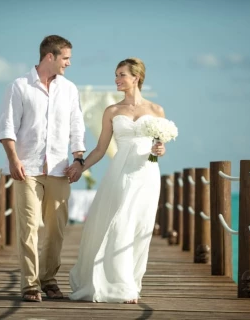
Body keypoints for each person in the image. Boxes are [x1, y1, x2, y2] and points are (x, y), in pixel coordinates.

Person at [66, 57, 166, 304]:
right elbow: (100, 149)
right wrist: (80, 167)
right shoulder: (112, 111)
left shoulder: (156, 110)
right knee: (120, 224)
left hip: (147, 174)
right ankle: (119, 285)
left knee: (140, 228)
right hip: (120, 173)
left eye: (122, 75)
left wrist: (161, 149)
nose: (117, 79)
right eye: (116, 75)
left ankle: (131, 281)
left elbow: (158, 145)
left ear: (136, 77)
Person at [0, 35, 86, 302]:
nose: (69, 63)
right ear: (50, 56)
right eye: (66, 58)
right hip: (27, 168)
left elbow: (76, 126)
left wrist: (79, 159)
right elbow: (7, 126)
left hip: (59, 168)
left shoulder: (69, 89)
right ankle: (30, 285)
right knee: (30, 226)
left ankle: (49, 280)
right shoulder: (19, 86)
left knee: (56, 229)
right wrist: (13, 159)